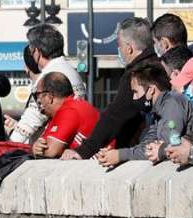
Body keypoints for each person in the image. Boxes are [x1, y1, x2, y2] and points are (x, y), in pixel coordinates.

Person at [61, 18, 159, 160]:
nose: (118, 50)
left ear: (129, 47)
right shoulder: (159, 65)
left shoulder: (137, 73)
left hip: (138, 152)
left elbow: (115, 114)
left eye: (119, 45)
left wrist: (85, 150)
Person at [95, 63, 191, 166]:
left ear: (150, 90)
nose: (134, 98)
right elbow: (147, 147)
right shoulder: (157, 112)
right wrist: (114, 154)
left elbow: (169, 147)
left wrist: (120, 155)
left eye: (136, 92)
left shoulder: (172, 104)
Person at [7, 24, 87, 144]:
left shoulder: (49, 77)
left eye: (30, 49)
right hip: (73, 138)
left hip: (56, 144)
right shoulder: (71, 70)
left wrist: (11, 144)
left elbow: (33, 118)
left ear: (37, 52)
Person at [30, 72, 99, 158]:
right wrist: (36, 147)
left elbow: (50, 151)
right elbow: (42, 142)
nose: (38, 100)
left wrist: (35, 149)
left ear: (49, 97)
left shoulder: (69, 110)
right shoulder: (72, 104)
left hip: (97, 166)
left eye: (37, 95)